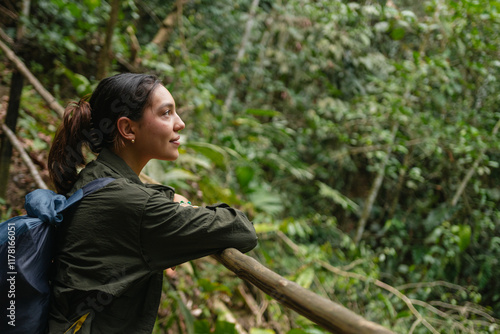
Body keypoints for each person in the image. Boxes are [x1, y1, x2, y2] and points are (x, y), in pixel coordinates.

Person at [46, 73, 258, 333]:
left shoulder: (95, 175)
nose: (179, 123)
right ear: (127, 129)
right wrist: (177, 206)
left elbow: (142, 199)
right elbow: (243, 229)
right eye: (166, 113)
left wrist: (174, 200)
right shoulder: (137, 207)